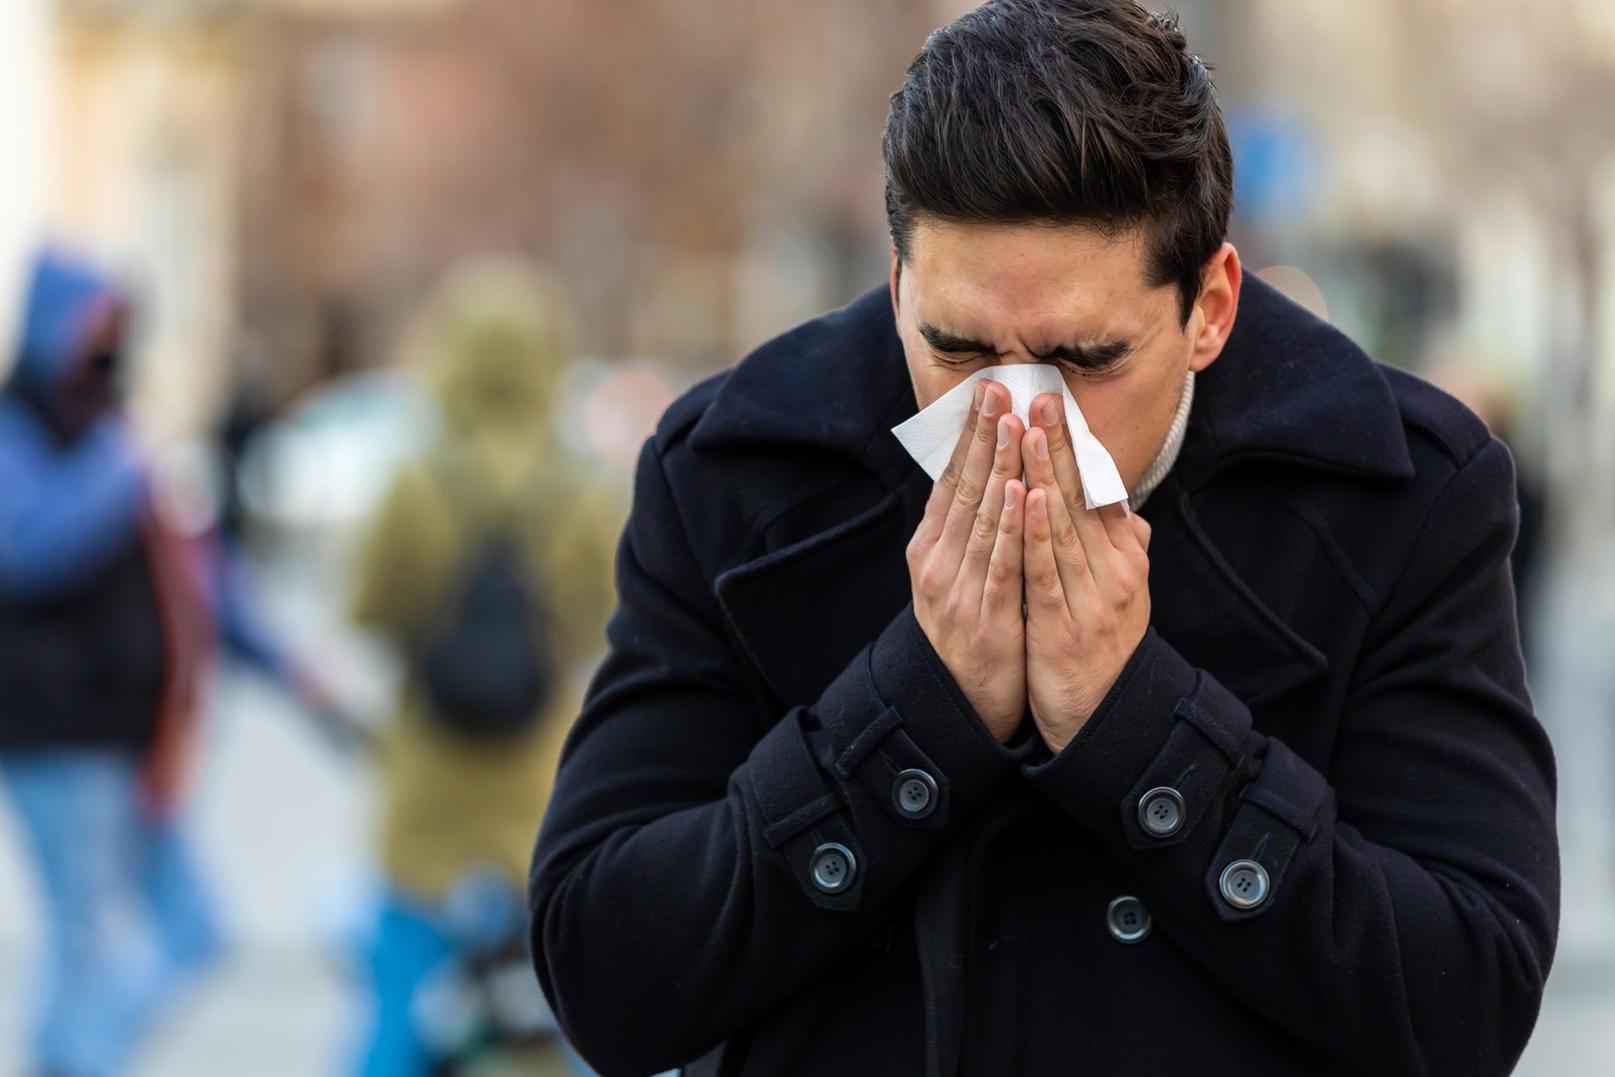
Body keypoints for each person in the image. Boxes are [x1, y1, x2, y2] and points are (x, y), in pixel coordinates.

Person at [528, 2, 1561, 1074]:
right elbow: (604, 974)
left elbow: (1468, 997)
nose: (1017, 413)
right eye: (959, 347)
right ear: (896, 289)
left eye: (1084, 357)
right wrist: (913, 711)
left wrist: (1140, 728)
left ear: (1209, 306)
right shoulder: (736, 474)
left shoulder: (1398, 494)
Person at [0, 249, 346, 1077]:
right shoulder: (27, 432)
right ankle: (73, 1058)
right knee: (87, 943)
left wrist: (290, 667)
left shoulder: (120, 434)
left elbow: (200, 580)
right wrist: (122, 473)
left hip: (138, 746)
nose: (112, 346)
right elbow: (24, 544)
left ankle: (71, 1055)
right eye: (97, 328)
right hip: (59, 737)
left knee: (191, 927)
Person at [346, 261, 618, 1077]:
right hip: (540, 793)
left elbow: (368, 607)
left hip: (426, 791)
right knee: (555, 1020)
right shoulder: (586, 493)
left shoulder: (412, 482)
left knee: (398, 1019)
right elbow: (608, 621)